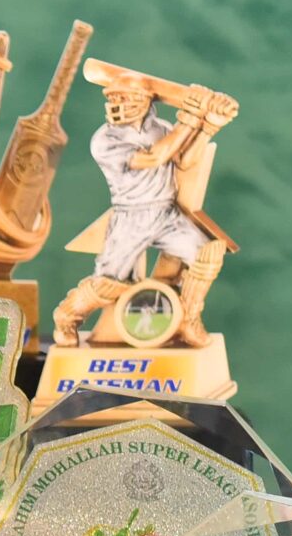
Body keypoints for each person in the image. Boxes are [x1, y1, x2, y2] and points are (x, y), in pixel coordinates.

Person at [49, 69, 236, 348]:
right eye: (113, 98)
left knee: (206, 256)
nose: (117, 103)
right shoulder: (105, 140)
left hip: (167, 214)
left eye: (124, 97)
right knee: (109, 282)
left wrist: (209, 126)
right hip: (131, 216)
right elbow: (153, 157)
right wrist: (190, 118)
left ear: (145, 100)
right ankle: (67, 316)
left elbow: (184, 160)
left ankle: (188, 319)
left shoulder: (161, 129)